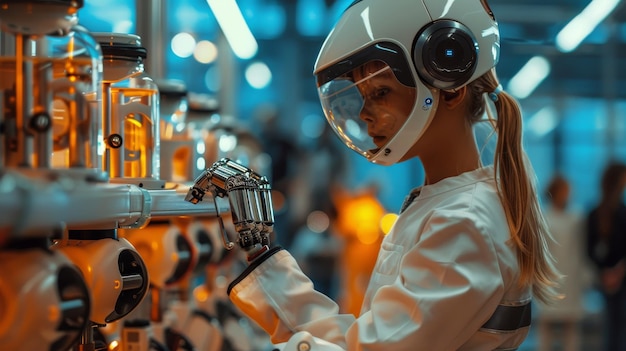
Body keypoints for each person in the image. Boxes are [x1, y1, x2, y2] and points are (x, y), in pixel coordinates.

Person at [224, 1, 560, 350]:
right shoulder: (448, 205)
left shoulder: (464, 222)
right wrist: (259, 253)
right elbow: (363, 341)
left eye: (380, 92)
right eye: (362, 95)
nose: (365, 114)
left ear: (451, 88)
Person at [537, 175, 589, 351]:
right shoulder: (544, 217)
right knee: (546, 325)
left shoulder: (576, 217)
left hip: (571, 276)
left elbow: (581, 248)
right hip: (550, 277)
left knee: (571, 326)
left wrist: (585, 276)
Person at [586, 162, 626, 351]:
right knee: (613, 325)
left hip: (617, 276)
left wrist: (616, 272)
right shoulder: (596, 214)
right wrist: (606, 273)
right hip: (607, 279)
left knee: (616, 324)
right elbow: (589, 250)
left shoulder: (619, 212)